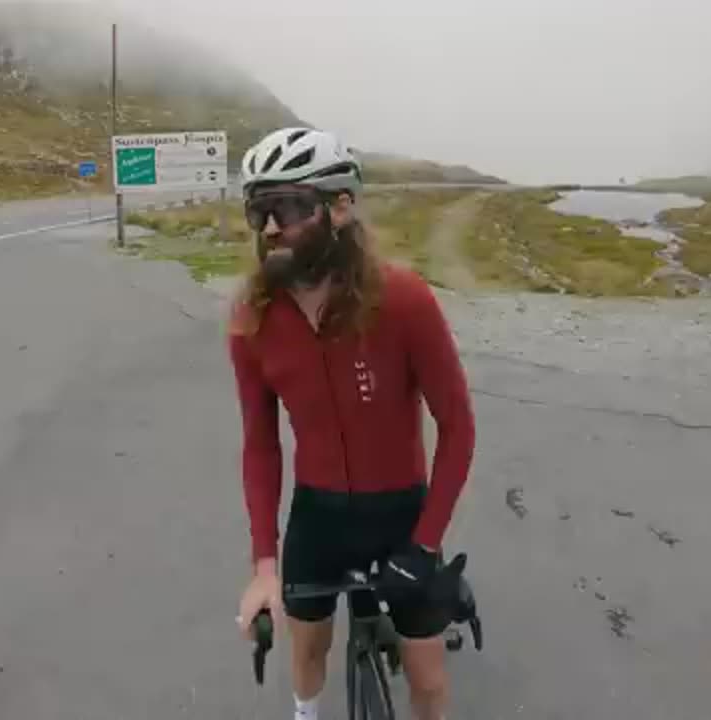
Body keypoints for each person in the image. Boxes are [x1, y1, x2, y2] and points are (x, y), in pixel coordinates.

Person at [227, 126, 476, 720]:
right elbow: (260, 445)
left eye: (288, 207)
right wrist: (265, 566)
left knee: (429, 679)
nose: (269, 229)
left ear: (341, 208)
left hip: (402, 516)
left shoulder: (404, 300)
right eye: (258, 211)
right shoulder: (253, 318)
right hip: (319, 515)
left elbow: (458, 428)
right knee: (307, 651)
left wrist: (425, 544)